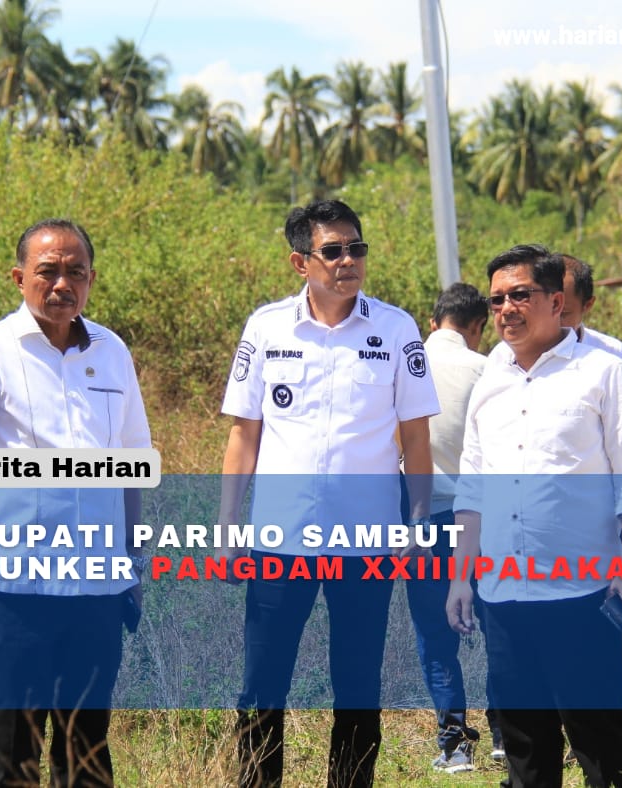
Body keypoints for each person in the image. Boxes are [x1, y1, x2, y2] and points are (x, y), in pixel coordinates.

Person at [217, 199, 439, 787]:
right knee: (263, 682)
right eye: (333, 250)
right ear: (301, 262)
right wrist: (228, 525)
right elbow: (243, 435)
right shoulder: (266, 328)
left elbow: (416, 438)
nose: (348, 260)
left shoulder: (396, 330)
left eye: (356, 248)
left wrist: (418, 519)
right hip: (279, 538)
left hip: (366, 541)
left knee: (358, 683)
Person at [446, 244, 622, 788]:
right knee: (525, 754)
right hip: (502, 597)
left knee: (604, 754)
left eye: (520, 295)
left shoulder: (605, 371)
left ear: (557, 301)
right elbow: (472, 488)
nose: (506, 309)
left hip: (583, 595)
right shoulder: (488, 381)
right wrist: (460, 578)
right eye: (497, 300)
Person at [0, 218, 152, 787]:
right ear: (19, 277)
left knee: (86, 752)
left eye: (76, 272)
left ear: (91, 279)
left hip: (96, 589)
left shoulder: (113, 352)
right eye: (47, 271)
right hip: (11, 588)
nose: (62, 284)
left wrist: (132, 561)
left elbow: (131, 464)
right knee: (10, 754)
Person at [404, 282, 495, 772]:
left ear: (432, 320)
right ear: (478, 326)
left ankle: (455, 744)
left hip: (423, 518)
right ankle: (507, 732)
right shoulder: (487, 370)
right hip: (482, 517)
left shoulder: (403, 365)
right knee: (498, 624)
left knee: (434, 633)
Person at [559, 254, 622, 374]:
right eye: (544, 311)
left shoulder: (615, 356)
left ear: (587, 305)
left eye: (562, 314)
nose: (550, 321)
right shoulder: (528, 356)